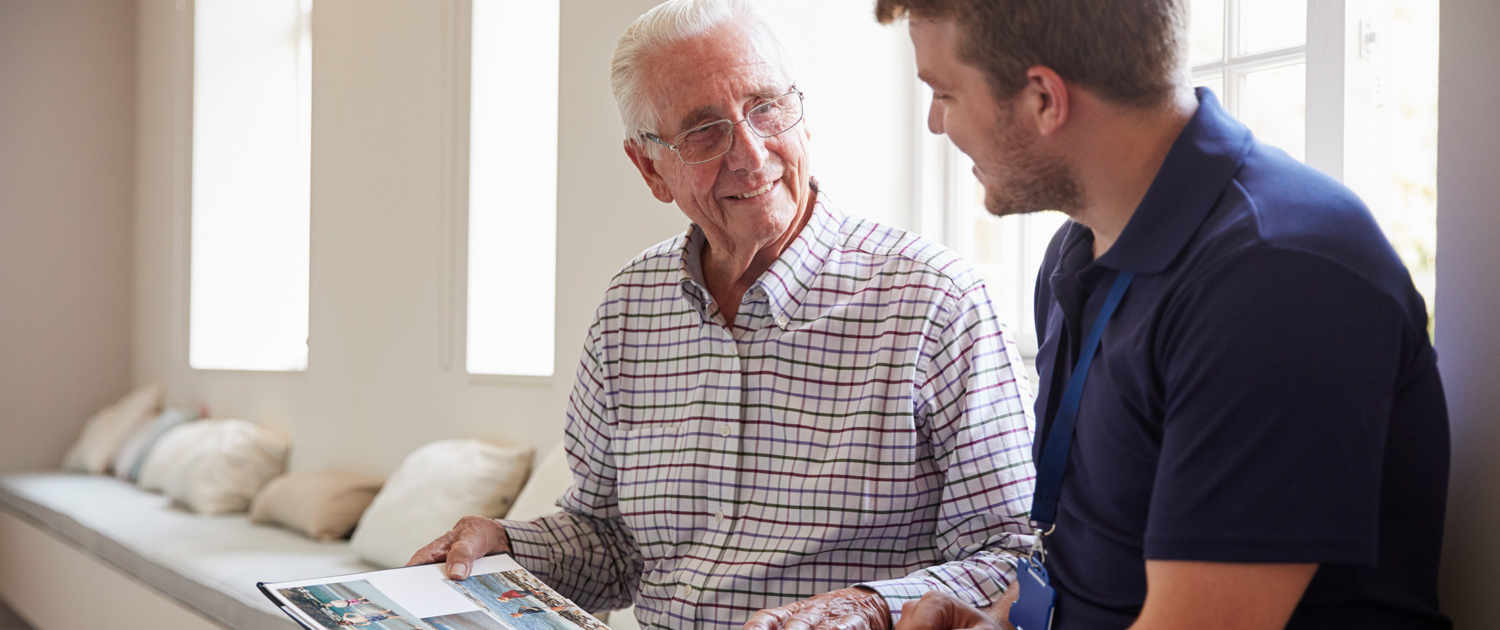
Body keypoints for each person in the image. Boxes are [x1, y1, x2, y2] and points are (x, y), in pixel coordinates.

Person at [407, 1, 1038, 629]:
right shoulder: (630, 309)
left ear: (803, 117)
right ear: (650, 167)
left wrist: (871, 608)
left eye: (766, 107)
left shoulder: (937, 301)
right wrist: (507, 547)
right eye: (704, 130)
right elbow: (614, 544)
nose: (752, 154)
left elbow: (1012, 556)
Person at [875, 0, 1451, 629]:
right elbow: (1100, 560)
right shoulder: (1079, 251)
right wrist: (997, 622)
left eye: (944, 93)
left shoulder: (1278, 279)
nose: (935, 124)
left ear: (1044, 97)